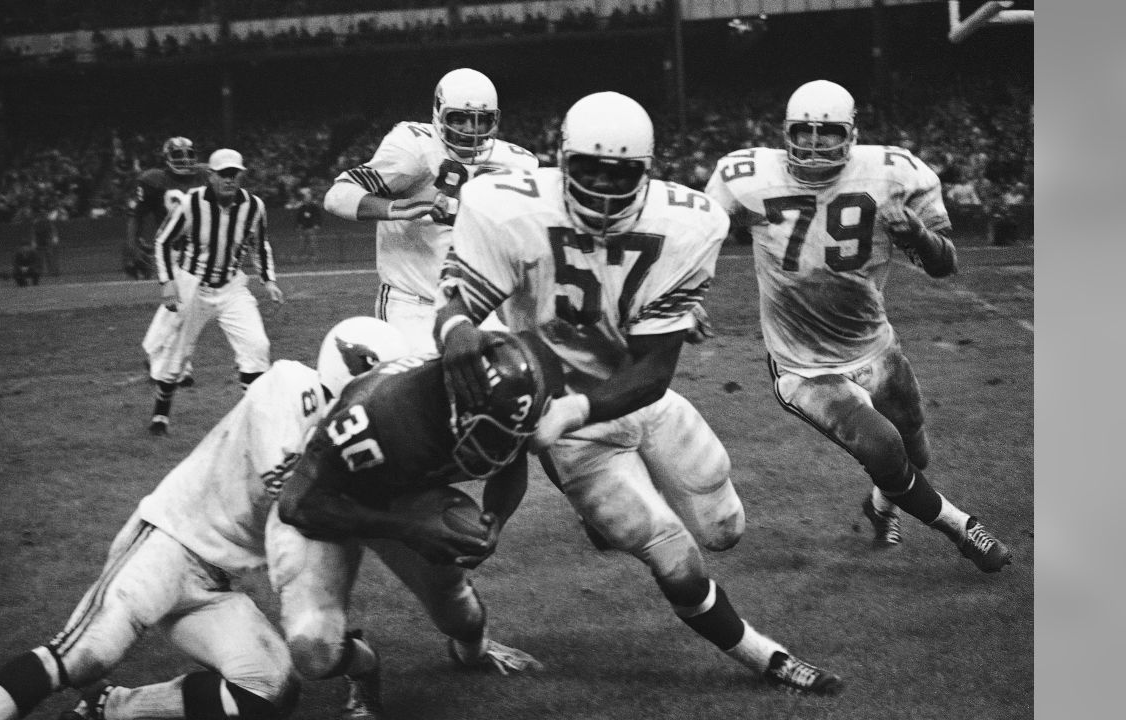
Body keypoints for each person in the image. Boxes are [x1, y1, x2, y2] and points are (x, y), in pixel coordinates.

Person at [434, 91, 843, 696]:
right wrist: (457, 327)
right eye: (589, 169)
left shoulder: (688, 222)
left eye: (619, 172)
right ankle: (766, 656)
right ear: (561, 161)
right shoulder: (506, 207)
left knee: (726, 528)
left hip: (642, 399)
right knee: (674, 555)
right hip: (572, 434)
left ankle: (602, 516)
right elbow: (456, 304)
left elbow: (654, 371)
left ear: (645, 173)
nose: (601, 185)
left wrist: (586, 396)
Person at [0, 317, 410, 720]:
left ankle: (110, 707)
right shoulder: (293, 383)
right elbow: (290, 492)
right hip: (170, 542)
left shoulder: (349, 441)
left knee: (270, 691)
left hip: (215, 581)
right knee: (85, 655)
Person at [702, 79, 1012, 573]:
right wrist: (690, 296)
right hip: (804, 366)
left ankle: (879, 506)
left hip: (874, 345)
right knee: (885, 447)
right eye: (802, 130)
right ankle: (963, 528)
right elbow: (699, 239)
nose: (812, 141)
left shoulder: (892, 173)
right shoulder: (746, 175)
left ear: (851, 134)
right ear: (785, 131)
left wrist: (918, 235)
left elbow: (945, 264)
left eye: (827, 132)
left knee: (916, 451)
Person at [275, 330, 559, 719]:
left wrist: (497, 521)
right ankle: (364, 667)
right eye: (486, 435)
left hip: (403, 494)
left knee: (459, 614)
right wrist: (406, 527)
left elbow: (510, 457)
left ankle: (476, 652)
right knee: (314, 651)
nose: (493, 450)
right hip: (329, 500)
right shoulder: (376, 414)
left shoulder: (504, 400)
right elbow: (296, 505)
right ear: (454, 406)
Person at [323, 67, 539, 353]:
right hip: (411, 305)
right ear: (439, 112)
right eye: (459, 118)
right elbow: (337, 195)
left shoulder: (517, 163)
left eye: (480, 120)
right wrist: (400, 207)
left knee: (513, 380)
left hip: (473, 305)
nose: (469, 129)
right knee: (424, 388)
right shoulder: (414, 146)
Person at [147, 148, 284, 437]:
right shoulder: (191, 204)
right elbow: (162, 241)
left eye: (235, 174)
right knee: (176, 354)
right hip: (192, 284)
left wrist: (268, 280)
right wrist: (167, 282)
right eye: (223, 174)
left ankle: (254, 416)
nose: (229, 180)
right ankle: (161, 414)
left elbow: (259, 244)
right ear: (210, 176)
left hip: (232, 285)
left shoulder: (253, 206)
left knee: (257, 346)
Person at [134, 137, 211, 388]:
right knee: (174, 304)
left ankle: (175, 362)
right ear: (167, 158)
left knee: (186, 308)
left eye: (188, 154)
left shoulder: (204, 175)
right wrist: (134, 242)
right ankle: (159, 353)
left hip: (195, 255)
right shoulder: (154, 181)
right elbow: (136, 214)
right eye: (178, 155)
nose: (185, 160)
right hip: (168, 253)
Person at [286, 187, 323, 264]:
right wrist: (298, 226)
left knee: (313, 244)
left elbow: (318, 217)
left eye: (309, 198)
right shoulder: (302, 207)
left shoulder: (314, 207)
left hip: (311, 228)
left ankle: (314, 259)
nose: (308, 199)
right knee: (301, 245)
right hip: (303, 228)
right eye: (306, 198)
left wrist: (317, 224)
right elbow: (298, 218)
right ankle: (297, 260)